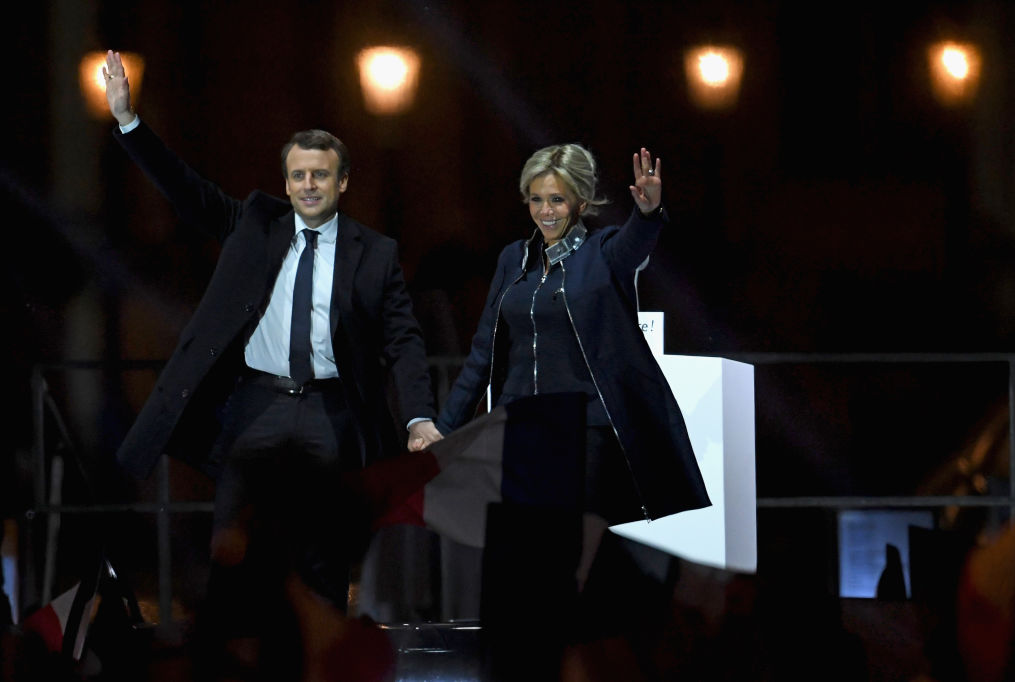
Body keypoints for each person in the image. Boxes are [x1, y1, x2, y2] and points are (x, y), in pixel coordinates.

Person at [101, 49, 443, 636]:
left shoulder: (375, 253)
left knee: (324, 551)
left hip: (333, 410)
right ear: (286, 183)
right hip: (256, 405)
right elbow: (184, 190)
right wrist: (128, 121)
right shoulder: (252, 224)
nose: (309, 184)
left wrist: (417, 417)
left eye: (321, 174)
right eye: (299, 174)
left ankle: (326, 659)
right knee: (234, 541)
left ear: (342, 181)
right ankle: (239, 657)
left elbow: (405, 340)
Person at [436, 142, 710, 543]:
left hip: (583, 433)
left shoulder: (604, 253)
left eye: (558, 200)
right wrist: (446, 431)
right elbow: (483, 354)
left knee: (571, 554)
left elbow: (636, 241)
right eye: (537, 199)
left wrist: (648, 211)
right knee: (522, 551)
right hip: (517, 432)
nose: (545, 210)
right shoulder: (513, 259)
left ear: (581, 202)